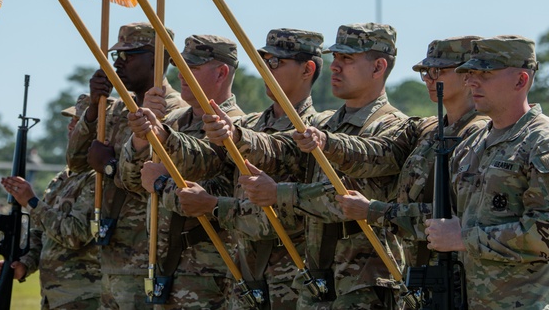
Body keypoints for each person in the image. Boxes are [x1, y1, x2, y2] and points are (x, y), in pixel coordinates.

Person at [211, 23, 409, 310]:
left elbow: (344, 194)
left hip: (364, 286)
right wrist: (237, 135)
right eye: (336, 58)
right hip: (317, 283)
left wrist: (280, 193)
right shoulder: (321, 124)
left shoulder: (393, 126)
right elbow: (281, 148)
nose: (335, 67)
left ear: (378, 67)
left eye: (347, 60)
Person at [160, 28, 327, 310]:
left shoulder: (321, 129)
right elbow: (206, 159)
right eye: (263, 62)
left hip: (291, 280)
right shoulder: (250, 124)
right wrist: (162, 135)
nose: (266, 70)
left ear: (307, 69)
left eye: (276, 63)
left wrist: (215, 206)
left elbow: (281, 161)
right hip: (246, 280)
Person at [294, 36, 489, 274]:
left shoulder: (480, 135)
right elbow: (379, 153)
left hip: (459, 274)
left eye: (437, 71)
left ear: (467, 75)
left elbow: (454, 218)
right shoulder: (426, 129)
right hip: (420, 272)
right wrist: (327, 142)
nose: (428, 78)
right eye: (425, 71)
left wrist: (374, 211)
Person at [425, 36, 549, 309]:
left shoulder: (547, 145)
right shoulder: (472, 145)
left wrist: (464, 238)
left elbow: (548, 237)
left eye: (485, 73)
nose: (472, 81)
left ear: (521, 81)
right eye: (471, 72)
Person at [64, 22, 186, 310]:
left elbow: (158, 182)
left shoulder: (177, 114)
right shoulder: (116, 109)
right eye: (117, 55)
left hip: (151, 255)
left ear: (159, 58)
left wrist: (109, 167)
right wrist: (94, 109)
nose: (119, 63)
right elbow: (76, 162)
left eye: (129, 56)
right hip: (114, 255)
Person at [120, 34, 247, 309]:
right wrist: (143, 135)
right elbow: (130, 180)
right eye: (180, 65)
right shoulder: (174, 121)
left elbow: (216, 192)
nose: (181, 74)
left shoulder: (239, 129)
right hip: (163, 267)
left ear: (221, 72)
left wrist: (160, 182)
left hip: (209, 274)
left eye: (193, 67)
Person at [0, 95, 100, 310]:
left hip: (84, 297)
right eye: (72, 121)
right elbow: (42, 233)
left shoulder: (97, 178)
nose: (70, 126)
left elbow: (75, 234)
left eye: (78, 121)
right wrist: (24, 265)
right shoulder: (63, 178)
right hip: (53, 297)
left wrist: (31, 202)